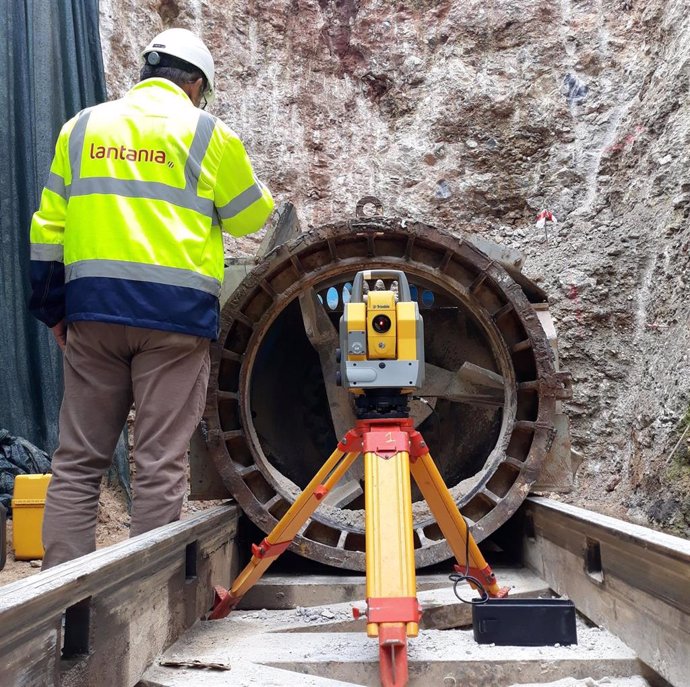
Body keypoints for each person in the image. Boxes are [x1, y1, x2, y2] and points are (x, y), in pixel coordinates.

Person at [28, 28, 274, 569]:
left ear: (144, 75)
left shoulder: (82, 127)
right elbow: (253, 215)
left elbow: (47, 228)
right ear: (196, 85)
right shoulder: (209, 133)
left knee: (77, 463)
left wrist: (53, 309)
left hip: (91, 314)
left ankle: (64, 605)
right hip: (174, 320)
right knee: (159, 463)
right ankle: (145, 597)